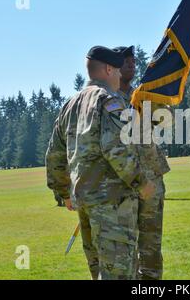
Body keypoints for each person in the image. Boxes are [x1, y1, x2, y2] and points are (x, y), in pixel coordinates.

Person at [45, 46, 155, 280]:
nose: (119, 77)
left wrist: (63, 192)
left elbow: (54, 154)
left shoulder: (70, 104)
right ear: (108, 69)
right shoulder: (109, 101)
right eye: (117, 71)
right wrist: (141, 182)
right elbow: (116, 148)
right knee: (119, 273)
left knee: (99, 272)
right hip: (112, 203)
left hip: (84, 202)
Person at [115, 45, 171, 280]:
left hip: (151, 176)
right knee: (122, 248)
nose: (131, 64)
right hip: (123, 181)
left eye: (133, 60)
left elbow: (166, 122)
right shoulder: (106, 98)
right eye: (124, 60)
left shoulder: (143, 95)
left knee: (151, 244)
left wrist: (157, 102)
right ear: (111, 67)